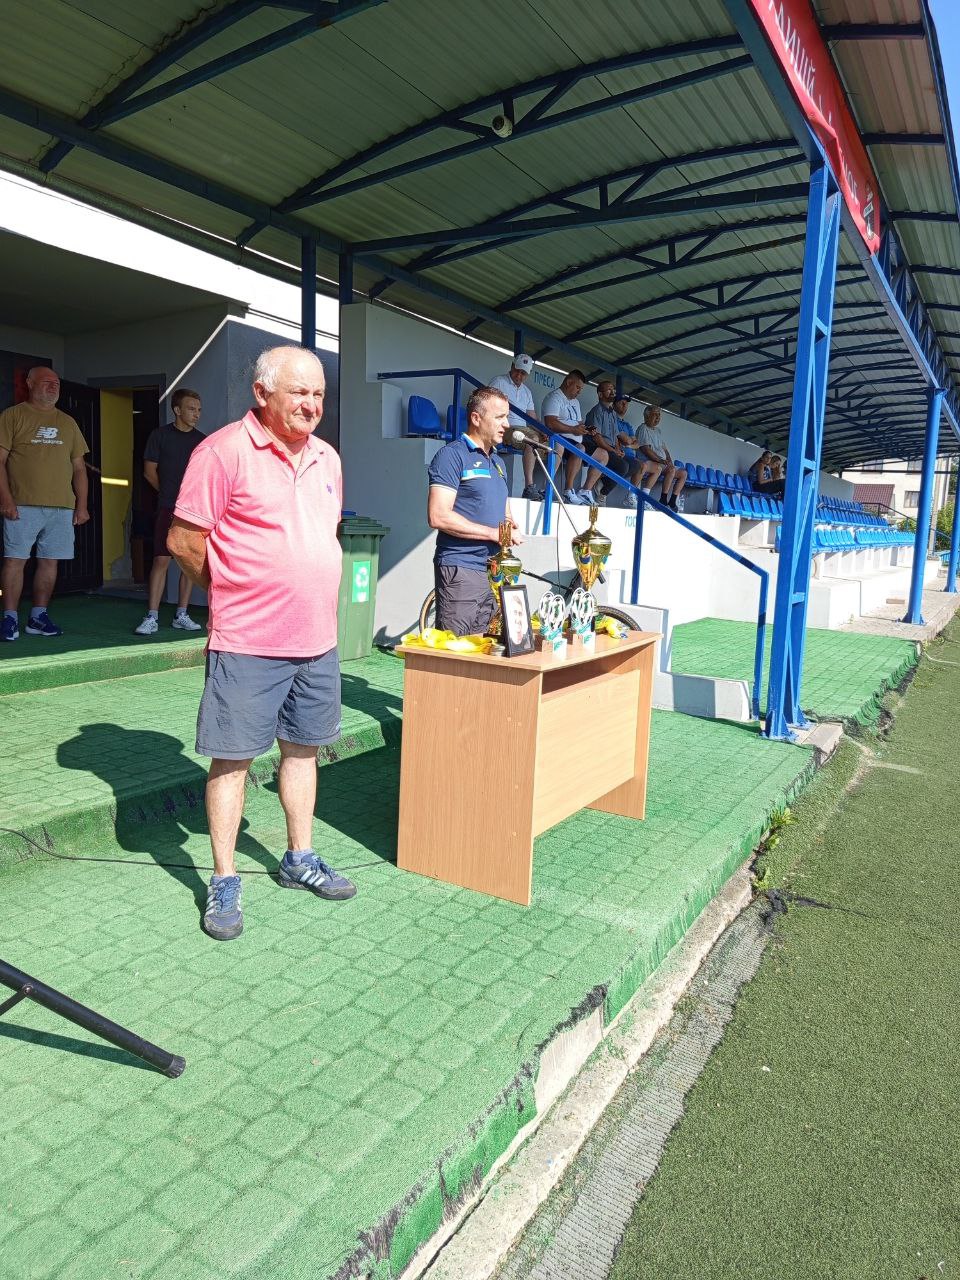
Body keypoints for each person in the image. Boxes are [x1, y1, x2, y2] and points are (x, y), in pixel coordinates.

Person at [167, 345, 355, 942]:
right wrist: (233, 590)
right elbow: (184, 541)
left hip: (317, 638)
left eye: (319, 393)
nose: (312, 404)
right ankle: (225, 879)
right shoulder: (221, 452)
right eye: (299, 392)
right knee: (233, 760)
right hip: (248, 640)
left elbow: (322, 533)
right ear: (262, 393)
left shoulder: (327, 457)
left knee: (303, 751)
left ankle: (299, 857)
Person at [0, 366, 89, 641]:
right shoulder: (12, 415)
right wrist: (6, 499)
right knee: (15, 560)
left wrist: (82, 505)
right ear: (29, 383)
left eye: (56, 383)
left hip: (61, 507)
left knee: (50, 562)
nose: (53, 387)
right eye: (46, 382)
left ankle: (38, 617)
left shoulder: (68, 422)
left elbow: (79, 468)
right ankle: (9, 619)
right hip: (22, 504)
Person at [427, 385, 521, 635]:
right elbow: (438, 515)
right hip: (462, 568)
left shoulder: (498, 463)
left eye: (507, 417)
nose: (507, 424)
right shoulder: (451, 456)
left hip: (495, 571)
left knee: (489, 649)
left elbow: (505, 514)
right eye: (499, 417)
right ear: (476, 418)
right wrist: (492, 533)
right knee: (457, 650)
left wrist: (509, 526)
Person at [134, 387, 205, 635]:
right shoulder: (160, 435)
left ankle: (181, 615)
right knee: (161, 559)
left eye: (198, 409)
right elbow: (149, 472)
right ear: (177, 410)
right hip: (167, 507)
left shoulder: (202, 441)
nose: (196, 414)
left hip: (193, 511)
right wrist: (168, 494)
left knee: (188, 564)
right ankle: (151, 616)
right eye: (191, 409)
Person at [582, 383, 663, 508]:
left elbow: (615, 436)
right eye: (609, 390)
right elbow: (597, 438)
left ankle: (603, 481)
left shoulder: (612, 414)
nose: (612, 392)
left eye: (613, 389)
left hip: (610, 449)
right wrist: (613, 450)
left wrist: (618, 449)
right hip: (598, 448)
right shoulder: (596, 411)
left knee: (636, 465)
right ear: (600, 394)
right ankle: (603, 494)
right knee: (622, 466)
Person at [488, 354, 543, 500]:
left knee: (552, 445)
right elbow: (488, 406)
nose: (519, 375)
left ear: (528, 375)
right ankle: (529, 487)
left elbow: (532, 417)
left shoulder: (527, 392)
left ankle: (544, 488)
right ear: (512, 366)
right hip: (506, 428)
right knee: (533, 439)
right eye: (517, 370)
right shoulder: (499, 382)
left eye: (523, 373)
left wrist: (544, 432)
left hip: (523, 430)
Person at [540, 370, 593, 505]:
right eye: (577, 387)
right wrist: (573, 430)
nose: (579, 391)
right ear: (569, 382)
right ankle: (546, 488)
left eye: (581, 389)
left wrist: (586, 430)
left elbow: (579, 423)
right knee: (560, 446)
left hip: (573, 440)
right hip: (555, 437)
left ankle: (568, 491)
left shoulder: (576, 402)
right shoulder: (554, 397)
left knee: (581, 448)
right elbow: (550, 423)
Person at [636, 405, 687, 511]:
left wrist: (669, 461)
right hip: (650, 462)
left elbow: (665, 450)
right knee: (667, 469)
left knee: (683, 473)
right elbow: (646, 449)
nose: (658, 417)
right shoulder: (643, 428)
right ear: (647, 416)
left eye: (659, 415)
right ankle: (663, 500)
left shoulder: (657, 431)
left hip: (661, 463)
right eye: (655, 414)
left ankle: (672, 501)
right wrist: (659, 460)